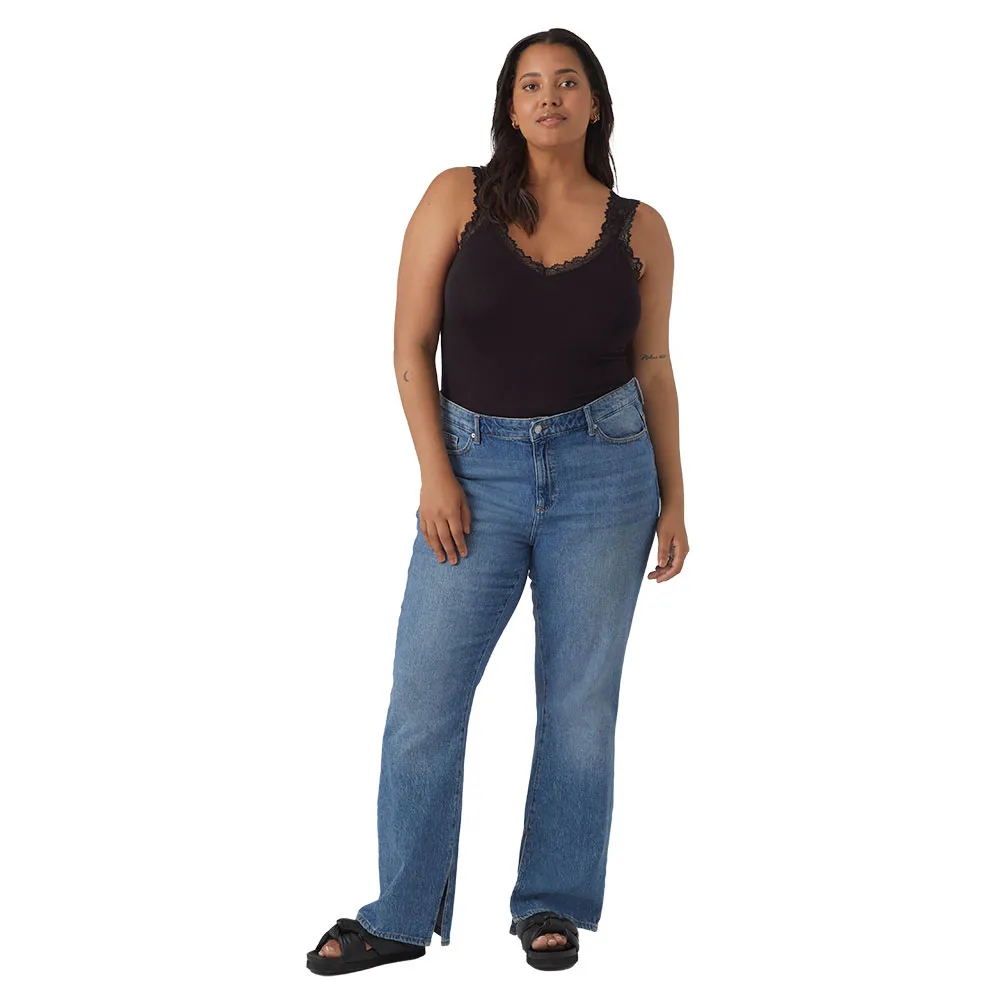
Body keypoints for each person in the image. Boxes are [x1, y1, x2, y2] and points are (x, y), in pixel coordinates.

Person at [306, 26, 688, 976]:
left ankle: (551, 903)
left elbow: (653, 364)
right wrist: (436, 473)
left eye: (568, 81)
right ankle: (400, 914)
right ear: (510, 108)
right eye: (530, 84)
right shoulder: (456, 197)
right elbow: (410, 347)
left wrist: (676, 495)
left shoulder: (640, 228)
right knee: (425, 697)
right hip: (473, 469)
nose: (549, 96)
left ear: (595, 103)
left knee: (579, 703)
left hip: (607, 474)